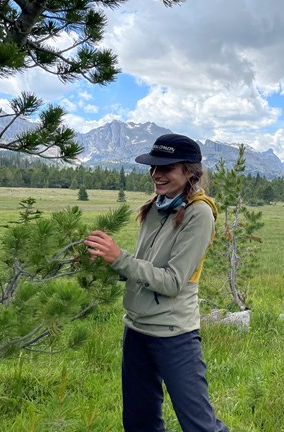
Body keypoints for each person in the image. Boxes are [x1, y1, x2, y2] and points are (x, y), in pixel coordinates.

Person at [84, 133, 229, 432]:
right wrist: (107, 261)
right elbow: (143, 267)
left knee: (199, 424)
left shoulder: (199, 213)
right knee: (139, 422)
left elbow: (173, 281)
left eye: (166, 168)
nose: (156, 174)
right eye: (153, 167)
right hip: (136, 329)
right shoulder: (156, 206)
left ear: (190, 171)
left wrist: (120, 258)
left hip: (174, 334)